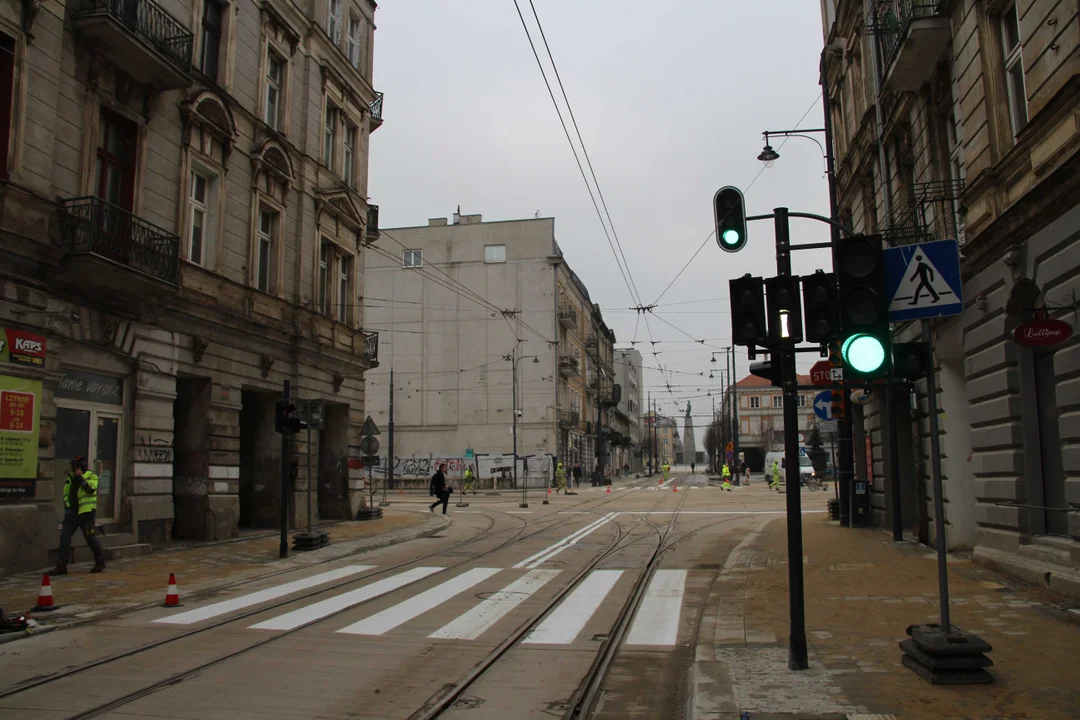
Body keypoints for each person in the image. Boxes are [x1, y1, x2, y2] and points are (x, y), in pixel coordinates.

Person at [50, 457, 106, 575]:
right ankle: (61, 566)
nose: (73, 469)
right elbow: (66, 492)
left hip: (86, 513)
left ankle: (100, 562)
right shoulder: (70, 477)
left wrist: (80, 477)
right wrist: (67, 505)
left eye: (75, 466)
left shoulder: (91, 476)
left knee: (90, 538)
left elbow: (90, 489)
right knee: (65, 537)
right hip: (72, 513)